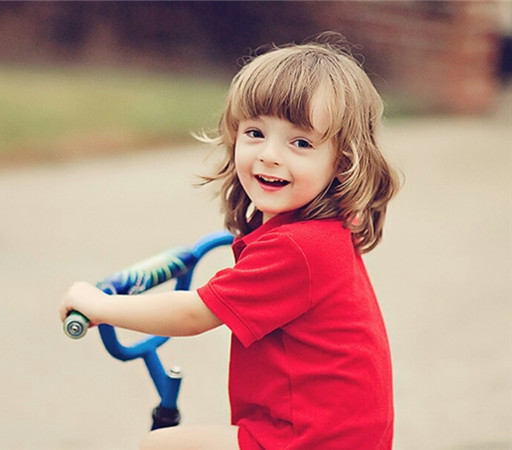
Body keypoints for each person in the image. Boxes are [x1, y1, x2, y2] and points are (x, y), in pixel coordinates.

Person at [59, 34, 399, 449]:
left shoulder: (300, 248)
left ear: (342, 164)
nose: (270, 155)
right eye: (255, 132)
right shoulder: (328, 226)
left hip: (307, 440)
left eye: (301, 142)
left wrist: (100, 305)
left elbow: (195, 314)